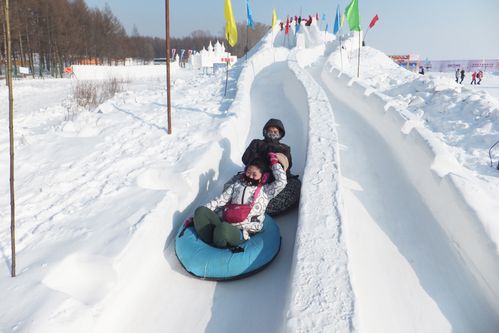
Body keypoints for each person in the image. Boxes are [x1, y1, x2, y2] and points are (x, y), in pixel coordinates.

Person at [184, 154, 287, 248]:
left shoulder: (266, 191)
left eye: (254, 174)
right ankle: (210, 240)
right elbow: (219, 200)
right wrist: (195, 218)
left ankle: (219, 240)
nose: (250, 176)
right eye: (248, 172)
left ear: (263, 177)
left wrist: (274, 163)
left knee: (223, 229)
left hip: (242, 231)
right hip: (225, 221)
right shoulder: (236, 185)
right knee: (200, 211)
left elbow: (281, 182)